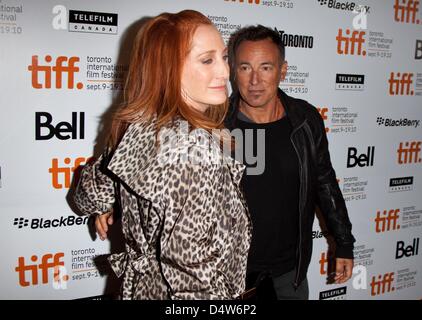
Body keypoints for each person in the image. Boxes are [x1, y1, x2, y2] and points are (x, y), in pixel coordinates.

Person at [73, 10, 251, 300]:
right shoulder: (195, 151)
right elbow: (193, 279)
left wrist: (105, 207)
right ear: (168, 68)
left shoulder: (137, 125)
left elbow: (88, 198)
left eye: (223, 57)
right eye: (207, 60)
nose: (224, 72)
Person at [224, 25, 356, 300]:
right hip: (231, 274)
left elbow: (324, 183)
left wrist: (344, 243)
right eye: (245, 68)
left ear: (283, 71)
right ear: (233, 70)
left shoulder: (305, 119)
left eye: (266, 68)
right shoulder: (216, 124)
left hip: (290, 273)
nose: (254, 81)